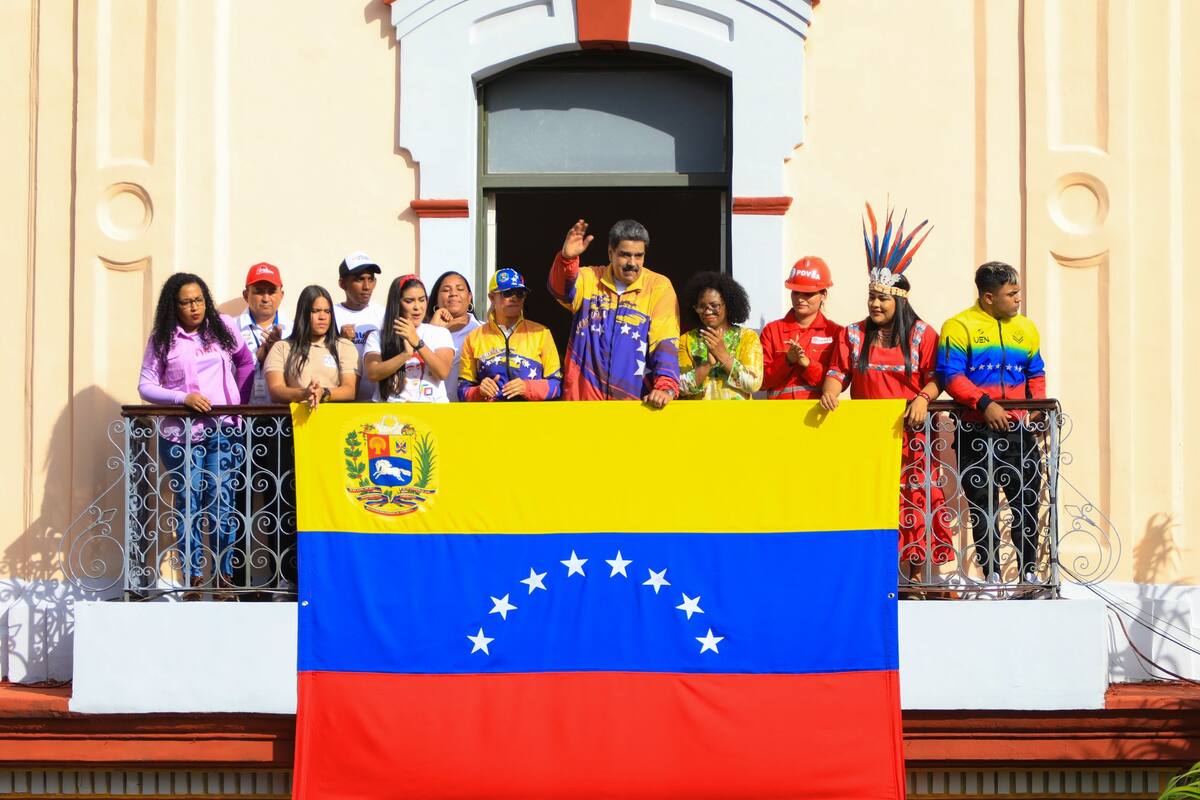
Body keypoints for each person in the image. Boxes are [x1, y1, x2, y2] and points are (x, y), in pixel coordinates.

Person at [820, 204, 953, 592]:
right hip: (868, 438)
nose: (875, 304)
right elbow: (837, 374)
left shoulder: (923, 335)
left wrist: (924, 398)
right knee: (872, 504)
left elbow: (937, 377)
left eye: (883, 298)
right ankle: (877, 577)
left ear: (900, 301)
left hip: (911, 437)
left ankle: (913, 579)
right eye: (871, 297)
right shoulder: (852, 335)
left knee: (915, 502)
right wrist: (830, 393)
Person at [137, 272, 255, 597]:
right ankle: (192, 579)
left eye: (199, 300)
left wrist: (237, 405)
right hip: (180, 436)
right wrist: (182, 398)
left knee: (221, 504)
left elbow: (246, 363)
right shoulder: (163, 340)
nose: (194, 307)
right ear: (173, 306)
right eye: (186, 302)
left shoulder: (224, 327)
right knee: (189, 506)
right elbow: (145, 386)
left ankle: (222, 577)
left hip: (222, 432)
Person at [938, 261, 1048, 587]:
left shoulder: (1026, 328)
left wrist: (1037, 408)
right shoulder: (958, 326)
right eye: (1011, 294)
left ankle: (1028, 573)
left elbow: (1036, 372)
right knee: (982, 506)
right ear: (988, 297)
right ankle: (991, 577)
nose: (1018, 300)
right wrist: (985, 405)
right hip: (975, 430)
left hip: (1018, 431)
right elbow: (950, 375)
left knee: (1026, 501)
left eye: (1018, 293)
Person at [548, 219, 679, 407]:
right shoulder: (589, 279)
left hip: (635, 405)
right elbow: (559, 291)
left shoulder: (658, 286)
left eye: (638, 256)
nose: (632, 263)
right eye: (625, 255)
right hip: (583, 404)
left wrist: (665, 386)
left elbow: (665, 342)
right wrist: (566, 260)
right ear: (610, 253)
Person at [458, 268, 562, 402]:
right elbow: (462, 390)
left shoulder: (541, 333)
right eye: (507, 293)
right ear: (491, 297)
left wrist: (527, 387)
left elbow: (556, 386)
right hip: (491, 420)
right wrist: (479, 391)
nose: (514, 298)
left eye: (520, 293)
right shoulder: (474, 338)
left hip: (532, 419)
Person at [760, 257, 842, 400]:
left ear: (824, 295)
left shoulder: (836, 333)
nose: (800, 298)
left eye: (808, 294)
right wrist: (787, 361)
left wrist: (807, 364)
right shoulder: (772, 331)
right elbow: (760, 382)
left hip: (817, 416)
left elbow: (840, 381)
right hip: (779, 416)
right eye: (796, 292)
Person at [265, 285, 360, 409]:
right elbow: (276, 391)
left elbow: (350, 390)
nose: (322, 317)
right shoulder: (282, 347)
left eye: (327, 311)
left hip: (335, 422)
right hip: (294, 423)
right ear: (303, 313)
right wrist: (304, 394)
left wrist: (324, 393)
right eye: (315, 311)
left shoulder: (344, 346)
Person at [364, 275, 455, 403]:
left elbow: (443, 372)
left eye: (422, 300)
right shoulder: (377, 336)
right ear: (397, 303)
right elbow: (373, 373)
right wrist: (405, 355)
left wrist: (417, 342)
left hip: (432, 412)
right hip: (390, 414)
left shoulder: (440, 333)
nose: (417, 307)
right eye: (409, 301)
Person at [676, 271, 763, 400]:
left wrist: (722, 355)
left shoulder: (747, 337)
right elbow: (678, 387)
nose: (708, 311)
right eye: (701, 306)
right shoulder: (686, 340)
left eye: (714, 305)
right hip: (698, 418)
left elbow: (753, 384)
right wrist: (707, 365)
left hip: (738, 418)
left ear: (728, 305)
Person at [236, 262, 293, 405]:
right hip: (240, 415)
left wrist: (276, 356)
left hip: (282, 417)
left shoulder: (294, 330)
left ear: (281, 295)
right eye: (259, 291)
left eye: (272, 291)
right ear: (245, 295)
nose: (266, 298)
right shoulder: (230, 328)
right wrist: (256, 360)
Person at [333, 251, 384, 401]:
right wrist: (340, 342)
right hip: (341, 404)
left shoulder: (384, 315)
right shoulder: (330, 314)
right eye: (360, 279)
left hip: (377, 403)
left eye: (371, 279)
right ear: (342, 283)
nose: (367, 286)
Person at [425, 270, 482, 401]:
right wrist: (433, 330)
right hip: (429, 407)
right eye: (446, 290)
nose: (453, 294)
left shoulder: (482, 331)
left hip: (467, 409)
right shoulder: (422, 331)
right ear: (436, 298)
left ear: (469, 297)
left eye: (460, 289)